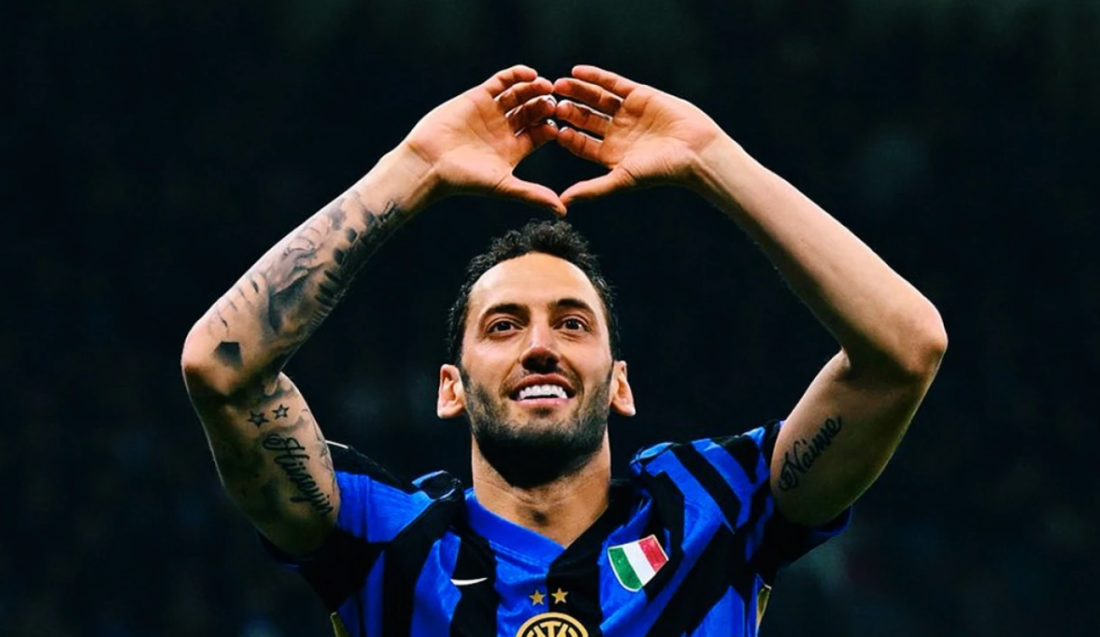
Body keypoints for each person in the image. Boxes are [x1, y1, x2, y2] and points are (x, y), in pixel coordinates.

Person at [181, 64, 946, 637]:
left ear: (620, 384)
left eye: (573, 323)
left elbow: (905, 350)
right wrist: (411, 170)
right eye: (503, 325)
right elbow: (221, 367)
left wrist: (715, 160)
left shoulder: (715, 504)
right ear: (450, 387)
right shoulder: (387, 538)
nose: (541, 345)